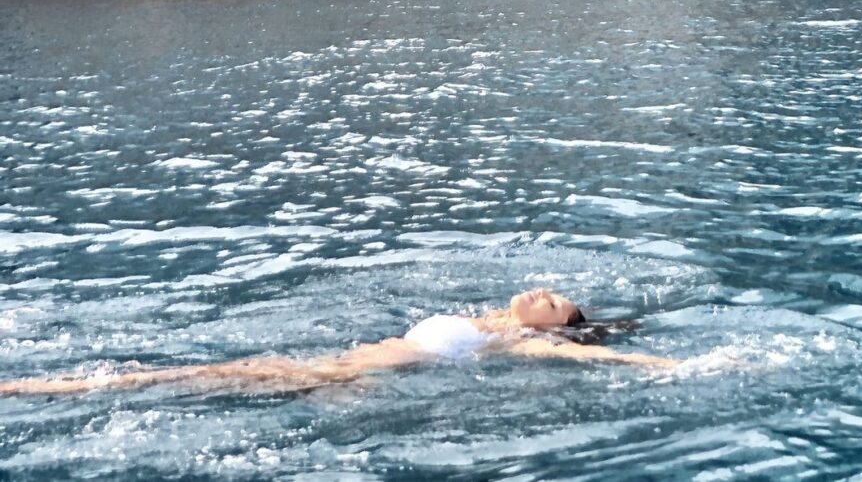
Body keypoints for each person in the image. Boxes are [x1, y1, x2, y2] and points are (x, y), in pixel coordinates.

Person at [0, 288, 676, 397]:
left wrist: (671, 361)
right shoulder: (490, 318)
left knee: (193, 375)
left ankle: (27, 387)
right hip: (355, 366)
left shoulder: (521, 343)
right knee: (203, 373)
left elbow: (595, 353)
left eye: (553, 303)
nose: (543, 291)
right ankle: (35, 385)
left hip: (350, 373)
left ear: (552, 325)